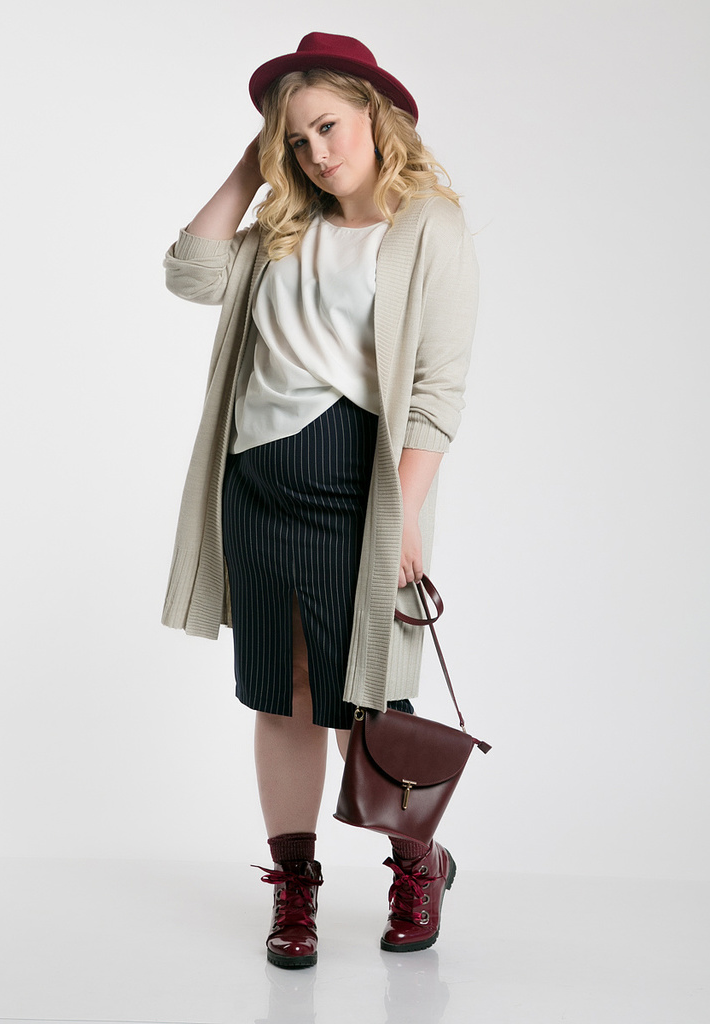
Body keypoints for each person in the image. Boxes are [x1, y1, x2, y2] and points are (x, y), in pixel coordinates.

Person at [161, 32, 479, 969]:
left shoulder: (430, 228)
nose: (316, 152)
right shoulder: (279, 233)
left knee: (367, 703)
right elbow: (190, 272)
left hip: (357, 497)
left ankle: (416, 862)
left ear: (375, 115)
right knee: (283, 693)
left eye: (328, 127)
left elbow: (436, 391)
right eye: (296, 140)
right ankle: (293, 887)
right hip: (255, 492)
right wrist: (250, 167)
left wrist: (406, 513)